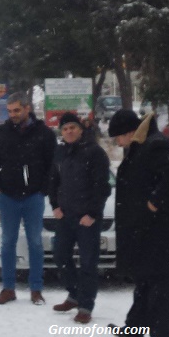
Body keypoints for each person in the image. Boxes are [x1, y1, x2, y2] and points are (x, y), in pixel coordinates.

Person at [106, 109, 169, 337]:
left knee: (161, 287)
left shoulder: (155, 145)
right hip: (149, 230)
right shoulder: (143, 144)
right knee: (145, 279)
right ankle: (135, 329)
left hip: (163, 231)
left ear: (128, 132)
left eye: (118, 137)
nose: (118, 143)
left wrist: (153, 202)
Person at [0, 92, 57, 306]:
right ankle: (8, 288)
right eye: (9, 111)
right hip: (7, 196)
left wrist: (43, 189)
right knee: (7, 242)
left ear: (27, 108)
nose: (13, 115)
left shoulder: (44, 133)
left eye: (17, 110)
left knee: (35, 243)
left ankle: (36, 289)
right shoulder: (0, 132)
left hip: (33, 197)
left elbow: (52, 164)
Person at [48, 112, 111, 324]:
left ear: (81, 129)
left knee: (88, 263)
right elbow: (53, 180)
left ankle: (85, 305)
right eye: (65, 129)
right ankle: (73, 294)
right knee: (60, 256)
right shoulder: (60, 152)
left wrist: (92, 213)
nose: (69, 132)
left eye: (72, 127)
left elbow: (102, 187)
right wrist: (55, 205)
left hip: (87, 218)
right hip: (65, 216)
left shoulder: (94, 153)